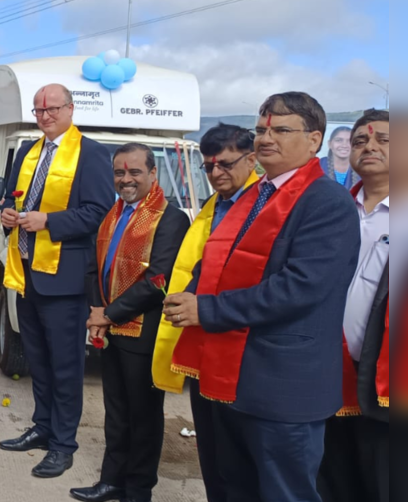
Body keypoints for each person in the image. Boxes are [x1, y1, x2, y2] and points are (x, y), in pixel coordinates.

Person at [164, 92, 360, 502]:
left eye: (281, 130)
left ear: (315, 140)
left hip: (282, 386)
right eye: (260, 130)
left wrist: (206, 309)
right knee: (232, 487)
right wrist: (190, 293)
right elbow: (216, 260)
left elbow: (299, 287)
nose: (266, 138)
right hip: (229, 372)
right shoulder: (254, 196)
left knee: (283, 492)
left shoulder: (326, 201)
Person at [0, 84, 115, 477]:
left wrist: (48, 221)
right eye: (38, 110)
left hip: (64, 278)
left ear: (70, 109)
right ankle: (42, 426)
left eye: (52, 109)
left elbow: (100, 212)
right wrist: (8, 214)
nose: (45, 116)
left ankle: (63, 444)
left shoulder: (91, 153)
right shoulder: (28, 152)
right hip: (26, 272)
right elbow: (13, 198)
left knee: (65, 365)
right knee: (37, 358)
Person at [71, 144, 189, 502]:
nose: (126, 179)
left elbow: (157, 281)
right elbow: (94, 267)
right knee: (116, 412)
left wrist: (107, 314)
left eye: (135, 172)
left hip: (143, 334)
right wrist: (96, 310)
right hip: (110, 329)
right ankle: (111, 481)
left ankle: (137, 491)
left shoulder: (170, 218)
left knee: (144, 417)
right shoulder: (113, 214)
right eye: (120, 173)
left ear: (153, 174)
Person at [151, 123, 259, 502]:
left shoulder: (263, 206)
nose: (216, 173)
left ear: (252, 159)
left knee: (239, 462)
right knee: (211, 455)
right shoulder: (215, 205)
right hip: (201, 341)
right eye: (208, 166)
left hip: (241, 347)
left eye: (225, 164)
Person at [318, 109, 393, 502]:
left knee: (383, 481)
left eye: (384, 139)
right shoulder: (334, 210)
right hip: (329, 368)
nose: (369, 147)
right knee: (331, 478)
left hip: (388, 377)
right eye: (361, 140)